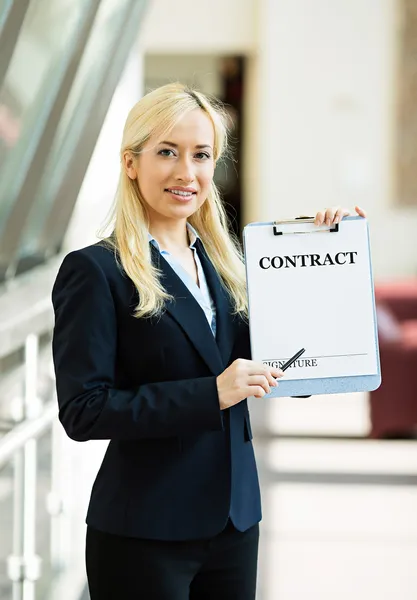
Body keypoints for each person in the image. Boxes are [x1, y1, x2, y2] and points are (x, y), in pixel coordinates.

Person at [51, 82, 367, 599]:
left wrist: (338, 258)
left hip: (235, 525)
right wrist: (211, 392)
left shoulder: (228, 266)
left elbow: (290, 363)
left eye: (201, 155)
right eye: (167, 153)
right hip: (144, 534)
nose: (186, 172)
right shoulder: (96, 270)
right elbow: (84, 411)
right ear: (131, 163)